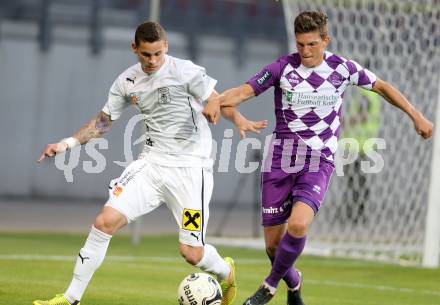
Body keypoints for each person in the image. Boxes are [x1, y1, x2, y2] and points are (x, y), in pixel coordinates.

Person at [203, 10, 433, 305]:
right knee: (274, 248)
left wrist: (417, 115)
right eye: (300, 45)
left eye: (312, 44)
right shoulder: (281, 68)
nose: (305, 51)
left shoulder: (343, 68)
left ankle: (269, 287)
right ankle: (294, 284)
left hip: (318, 161)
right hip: (281, 161)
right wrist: (215, 99)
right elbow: (243, 92)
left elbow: (383, 87)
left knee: (298, 225)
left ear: (326, 40)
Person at [35, 21, 266, 305]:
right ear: (135, 49)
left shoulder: (185, 71)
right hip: (151, 165)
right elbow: (103, 124)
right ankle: (70, 298)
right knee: (104, 222)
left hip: (190, 170)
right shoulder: (126, 82)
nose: (153, 60)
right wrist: (65, 144)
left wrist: (237, 118)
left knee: (191, 253)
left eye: (158, 53)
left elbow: (218, 101)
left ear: (165, 46)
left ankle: (225, 271)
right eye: (146, 54)